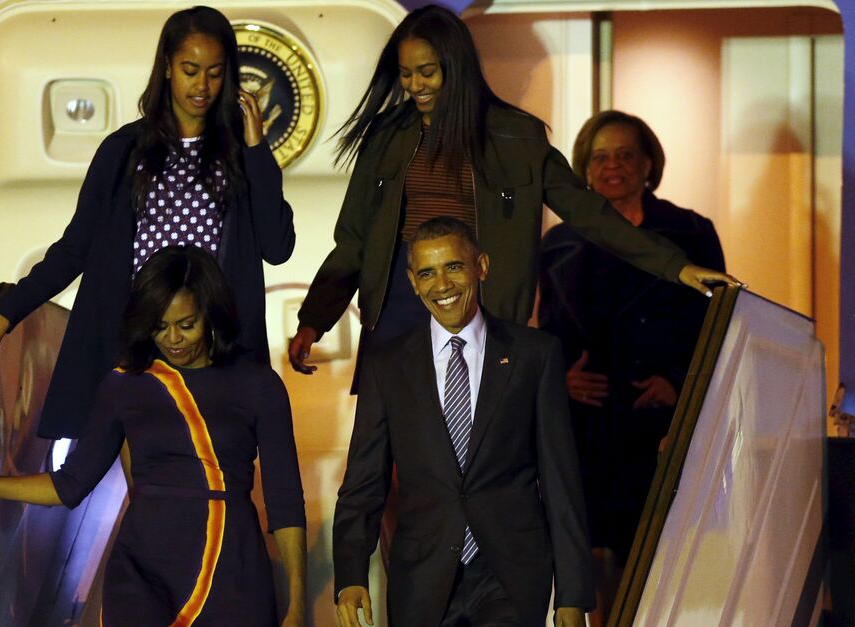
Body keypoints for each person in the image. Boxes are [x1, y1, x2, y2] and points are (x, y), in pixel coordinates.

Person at [288, 4, 735, 385]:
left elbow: (590, 214)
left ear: (456, 67)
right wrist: (314, 319)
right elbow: (352, 242)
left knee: (477, 453)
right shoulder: (386, 138)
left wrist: (677, 267)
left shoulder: (517, 137)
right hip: (401, 305)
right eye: (405, 74)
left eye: (427, 72)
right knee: (389, 453)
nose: (414, 85)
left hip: (483, 307)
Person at [0, 246, 309, 627]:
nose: (172, 339)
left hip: (233, 576)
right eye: (160, 326)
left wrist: (297, 606)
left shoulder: (258, 385)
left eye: (186, 325)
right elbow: (69, 485)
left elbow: (285, 504)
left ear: (212, 314)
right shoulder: (125, 384)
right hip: (144, 576)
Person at [0, 6, 295, 441]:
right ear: (168, 69)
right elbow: (75, 247)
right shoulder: (123, 151)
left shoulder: (242, 154)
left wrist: (256, 149)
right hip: (138, 341)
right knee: (148, 489)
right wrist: (9, 309)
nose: (202, 85)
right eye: (190, 70)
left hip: (215, 344)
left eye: (214, 72)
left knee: (214, 476)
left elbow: (277, 245)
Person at [333, 217, 593, 627]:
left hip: (507, 575)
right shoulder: (388, 364)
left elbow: (561, 483)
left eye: (454, 267)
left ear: (482, 267)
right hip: (422, 579)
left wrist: (572, 593)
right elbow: (364, 481)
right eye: (428, 273)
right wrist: (350, 573)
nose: (442, 284)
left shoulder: (535, 355)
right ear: (413, 284)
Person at [538, 110, 727, 623]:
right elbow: (544, 335)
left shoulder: (691, 233)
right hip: (588, 428)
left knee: (664, 567)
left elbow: (718, 324)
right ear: (585, 168)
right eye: (600, 157)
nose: (612, 166)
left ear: (648, 163)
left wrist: (679, 383)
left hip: (663, 424)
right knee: (594, 572)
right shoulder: (558, 243)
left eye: (625, 155)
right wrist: (560, 380)